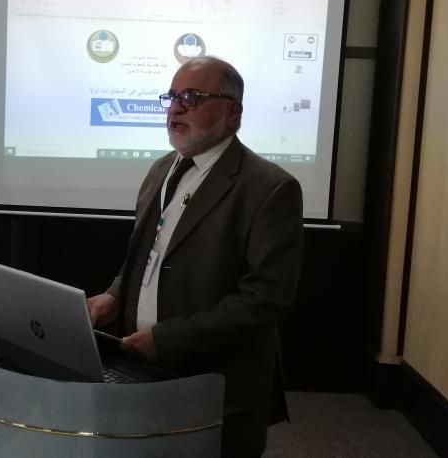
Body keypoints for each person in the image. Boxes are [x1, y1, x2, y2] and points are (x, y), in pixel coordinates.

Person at [87, 56, 304, 457]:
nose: (175, 108)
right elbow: (149, 251)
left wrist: (168, 339)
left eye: (191, 97)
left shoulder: (269, 188)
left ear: (232, 111)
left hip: (216, 386)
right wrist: (115, 295)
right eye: (171, 97)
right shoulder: (161, 169)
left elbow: (266, 299)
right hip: (142, 371)